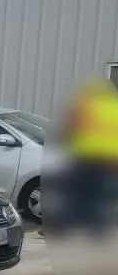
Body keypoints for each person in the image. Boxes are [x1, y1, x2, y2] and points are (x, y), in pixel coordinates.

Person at [53, 75, 118, 237]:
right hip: (109, 161)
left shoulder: (85, 107)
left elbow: (69, 130)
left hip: (85, 157)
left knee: (72, 193)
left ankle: (62, 228)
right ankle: (98, 231)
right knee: (100, 196)